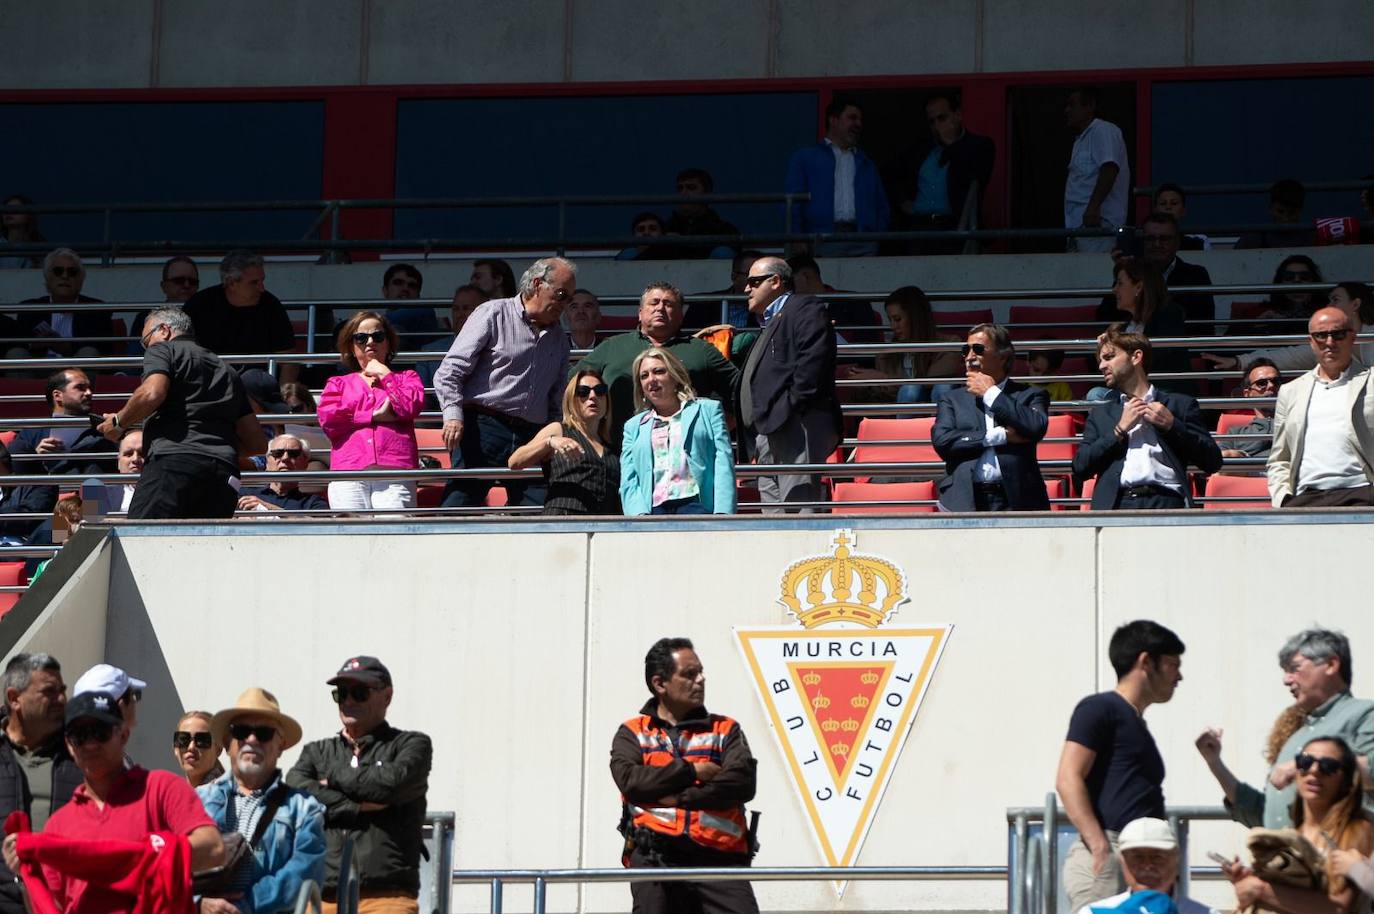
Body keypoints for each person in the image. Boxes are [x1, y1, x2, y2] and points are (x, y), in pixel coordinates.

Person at [0, 691, 225, 914]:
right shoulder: (59, 825)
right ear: (69, 745)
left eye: (100, 732)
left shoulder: (162, 788)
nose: (90, 744)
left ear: (124, 735)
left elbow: (213, 848)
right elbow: (51, 906)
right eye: (80, 735)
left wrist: (148, 856)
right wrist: (26, 872)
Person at [609, 638, 758, 914]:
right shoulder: (632, 732)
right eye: (689, 674)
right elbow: (631, 782)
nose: (701, 680)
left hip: (719, 861)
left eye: (700, 672)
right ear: (660, 684)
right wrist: (693, 771)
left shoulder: (726, 729)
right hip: (656, 858)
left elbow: (741, 784)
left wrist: (677, 796)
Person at [1056, 620, 1185, 912]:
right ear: (1146, 661)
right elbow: (1067, 777)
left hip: (1137, 858)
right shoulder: (1100, 708)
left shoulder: (1133, 720)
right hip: (1111, 853)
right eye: (1173, 664)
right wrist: (1100, 846)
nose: (1179, 676)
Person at [287, 656, 432, 914]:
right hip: (323, 897)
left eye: (359, 693)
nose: (349, 701)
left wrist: (331, 779)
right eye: (342, 694)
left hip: (387, 898)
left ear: (386, 697)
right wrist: (356, 806)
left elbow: (390, 784)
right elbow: (297, 795)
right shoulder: (316, 752)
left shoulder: (412, 745)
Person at [97, 309, 267, 519]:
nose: (146, 348)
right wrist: (213, 443)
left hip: (173, 465)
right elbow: (257, 444)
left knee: (139, 541)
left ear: (164, 330)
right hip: (223, 474)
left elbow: (152, 393)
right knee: (200, 548)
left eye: (146, 341)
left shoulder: (163, 350)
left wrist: (117, 423)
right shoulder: (227, 371)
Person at [1196, 628, 1374, 829]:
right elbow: (1266, 816)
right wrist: (1215, 763)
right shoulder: (1297, 735)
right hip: (1285, 857)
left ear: (1331, 665)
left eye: (1294, 669)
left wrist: (1304, 766)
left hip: (1333, 857)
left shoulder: (1364, 714)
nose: (1286, 680)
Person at [434, 257, 575, 508]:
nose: (564, 304)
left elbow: (556, 395)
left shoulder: (559, 339)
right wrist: (453, 416)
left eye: (568, 299)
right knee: (459, 506)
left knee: (538, 511)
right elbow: (450, 370)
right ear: (537, 284)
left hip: (532, 433)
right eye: (561, 294)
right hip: (484, 426)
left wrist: (553, 431)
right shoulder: (492, 313)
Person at [199, 688, 325, 914]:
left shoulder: (305, 809)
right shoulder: (196, 800)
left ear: (280, 746)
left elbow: (303, 873)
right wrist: (199, 903)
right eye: (241, 731)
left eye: (264, 733)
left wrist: (242, 907)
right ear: (228, 743)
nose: (252, 739)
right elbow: (168, 865)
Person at [1073, 326, 1222, 509]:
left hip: (1167, 503)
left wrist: (1172, 425)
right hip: (1117, 505)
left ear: (1136, 357)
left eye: (1109, 357)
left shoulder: (1179, 405)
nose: (1101, 366)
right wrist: (1118, 431)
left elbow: (1213, 461)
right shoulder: (1101, 414)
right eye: (1101, 360)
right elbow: (1080, 467)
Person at [578, 281, 738, 449]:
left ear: (680, 315)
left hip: (685, 456)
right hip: (616, 452)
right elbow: (571, 385)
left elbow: (740, 391)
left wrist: (713, 427)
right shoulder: (613, 346)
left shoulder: (701, 350)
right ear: (640, 313)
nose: (660, 308)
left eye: (668, 304)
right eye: (654, 303)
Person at [737, 257, 842, 512]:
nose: (746, 289)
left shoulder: (804, 307)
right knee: (773, 516)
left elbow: (813, 363)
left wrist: (788, 407)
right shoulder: (771, 322)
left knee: (799, 510)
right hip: (769, 429)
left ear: (775, 282)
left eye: (754, 282)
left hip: (795, 423)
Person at [1226, 736, 1374, 914]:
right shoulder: (1291, 834)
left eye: (1328, 766)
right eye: (1305, 761)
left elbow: (1338, 908)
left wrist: (1261, 890)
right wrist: (1246, 882)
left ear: (1346, 780)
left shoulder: (1357, 830)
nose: (1314, 770)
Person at [931, 323, 1050, 511]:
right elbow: (942, 441)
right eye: (966, 350)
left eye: (978, 349)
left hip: (1018, 499)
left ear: (1003, 357)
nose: (969, 357)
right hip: (965, 499)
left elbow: (1036, 426)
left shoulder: (1030, 395)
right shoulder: (952, 399)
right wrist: (999, 436)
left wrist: (991, 393)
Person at [1268, 306, 1374, 508]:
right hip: (1305, 498)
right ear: (1311, 341)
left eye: (1338, 334)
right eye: (1321, 335)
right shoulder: (1291, 391)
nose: (1329, 342)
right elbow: (1280, 457)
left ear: (1352, 337)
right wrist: (1283, 498)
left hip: (1363, 492)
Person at [317, 312, 424, 512]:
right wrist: (373, 415)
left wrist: (385, 374)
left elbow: (410, 407)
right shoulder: (338, 384)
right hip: (349, 469)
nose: (370, 342)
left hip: (395, 471)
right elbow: (329, 420)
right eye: (361, 337)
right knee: (351, 538)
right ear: (351, 345)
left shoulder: (406, 378)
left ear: (388, 343)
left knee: (394, 536)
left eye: (378, 336)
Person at [620, 348, 734, 516]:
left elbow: (723, 462)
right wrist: (638, 516)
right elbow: (629, 478)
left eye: (658, 371)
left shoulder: (708, 410)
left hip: (697, 506)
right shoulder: (633, 426)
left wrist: (723, 513)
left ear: (675, 376)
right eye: (644, 376)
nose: (651, 380)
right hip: (652, 512)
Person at [6, 368, 116, 536]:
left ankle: (89, 528)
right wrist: (34, 456)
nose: (89, 392)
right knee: (19, 450)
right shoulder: (33, 433)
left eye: (90, 387)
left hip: (85, 509)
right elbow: (15, 473)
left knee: (93, 460)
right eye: (80, 387)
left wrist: (118, 428)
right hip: (46, 508)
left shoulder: (103, 428)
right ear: (57, 396)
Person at [0, 654, 80, 867]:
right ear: (15, 698)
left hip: (63, 896)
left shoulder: (83, 753)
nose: (62, 700)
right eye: (49, 692)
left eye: (62, 690)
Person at [785, 97, 889, 255]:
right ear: (833, 120)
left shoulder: (866, 163)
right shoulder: (806, 158)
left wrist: (876, 238)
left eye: (860, 120)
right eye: (852, 118)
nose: (858, 124)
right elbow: (793, 202)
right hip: (822, 240)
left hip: (863, 242)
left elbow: (881, 206)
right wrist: (797, 237)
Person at [509, 370, 620, 515]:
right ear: (571, 399)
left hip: (603, 527)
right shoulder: (558, 430)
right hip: (563, 522)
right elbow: (515, 462)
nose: (592, 396)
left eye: (600, 391)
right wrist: (549, 442)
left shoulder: (611, 444)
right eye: (583, 392)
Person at [182, 250, 299, 383]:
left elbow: (288, 360)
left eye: (262, 280)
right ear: (231, 283)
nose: (262, 288)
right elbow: (181, 354)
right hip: (210, 386)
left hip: (258, 389)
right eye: (254, 282)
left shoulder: (271, 305)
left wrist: (281, 397)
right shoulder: (199, 305)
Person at [903, 91, 995, 253]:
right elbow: (894, 175)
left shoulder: (980, 145)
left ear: (958, 115)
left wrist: (952, 145)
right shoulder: (922, 150)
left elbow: (973, 176)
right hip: (920, 229)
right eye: (932, 122)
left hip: (953, 228)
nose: (937, 126)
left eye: (942, 118)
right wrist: (904, 202)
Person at [1214, 282, 1374, 374]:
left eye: (1336, 300)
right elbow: (1289, 356)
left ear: (1355, 304)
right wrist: (1239, 361)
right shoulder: (1328, 342)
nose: (1329, 306)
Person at [1072, 817, 1217, 914]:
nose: (1147, 865)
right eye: (1137, 857)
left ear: (1176, 860)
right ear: (1122, 861)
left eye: (1157, 857)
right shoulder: (1094, 911)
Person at [844, 285, 961, 404]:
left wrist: (884, 378)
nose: (893, 326)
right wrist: (867, 382)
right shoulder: (885, 355)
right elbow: (886, 395)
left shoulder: (950, 344)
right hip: (901, 410)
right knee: (909, 391)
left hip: (936, 408)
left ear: (915, 317)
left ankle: (943, 422)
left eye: (898, 319)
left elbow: (932, 381)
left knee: (939, 387)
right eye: (890, 320)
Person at [1064, 87, 1130, 253]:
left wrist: (1093, 208)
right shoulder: (1080, 140)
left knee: (1093, 275)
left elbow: (1109, 168)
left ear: (1090, 106)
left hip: (1098, 224)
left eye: (1072, 105)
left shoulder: (1103, 130)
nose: (1067, 110)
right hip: (1080, 227)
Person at [17, 249, 109, 359]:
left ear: (80, 281)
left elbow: (103, 352)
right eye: (58, 271)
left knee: (88, 353)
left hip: (78, 372)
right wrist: (35, 345)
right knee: (17, 353)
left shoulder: (96, 310)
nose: (65, 276)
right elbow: (20, 347)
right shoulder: (29, 310)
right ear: (48, 278)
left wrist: (66, 348)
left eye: (72, 272)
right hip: (39, 370)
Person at [415, 284, 487, 390]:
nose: (460, 314)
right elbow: (423, 398)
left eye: (466, 308)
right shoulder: (429, 352)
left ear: (484, 312)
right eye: (456, 309)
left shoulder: (497, 348)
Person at [236, 434, 330, 514]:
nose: (285, 458)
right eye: (278, 453)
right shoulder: (244, 494)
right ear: (267, 463)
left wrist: (267, 507)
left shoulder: (313, 503)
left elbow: (320, 527)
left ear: (305, 463)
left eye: (293, 454)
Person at [129, 257, 203, 356]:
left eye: (192, 281)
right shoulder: (145, 318)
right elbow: (134, 358)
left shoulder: (207, 316)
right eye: (179, 280)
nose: (186, 285)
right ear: (164, 286)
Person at [663, 168, 739, 258]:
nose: (683, 193)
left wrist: (683, 244)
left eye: (691, 188)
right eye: (680, 188)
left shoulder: (724, 230)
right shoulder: (666, 228)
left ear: (707, 194)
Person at [1219, 359, 1282, 461]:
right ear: (1248, 394)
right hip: (1247, 471)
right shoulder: (1235, 432)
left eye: (1276, 382)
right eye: (1262, 383)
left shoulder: (1297, 422)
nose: (1271, 386)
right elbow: (1219, 460)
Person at [1237, 179, 1315, 249]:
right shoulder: (1252, 240)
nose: (1285, 218)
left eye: (1292, 213)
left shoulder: (1313, 240)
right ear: (1270, 209)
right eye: (1280, 211)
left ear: (1300, 211)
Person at [378, 263, 439, 341]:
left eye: (412, 285)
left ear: (418, 295)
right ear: (385, 290)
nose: (405, 288)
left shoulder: (426, 314)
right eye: (398, 283)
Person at [172, 710, 223, 788]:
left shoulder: (226, 794)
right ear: (175, 748)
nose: (191, 747)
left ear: (218, 749)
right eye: (183, 739)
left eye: (202, 740)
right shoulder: (176, 795)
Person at [1152, 184, 1209, 250]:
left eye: (1174, 203)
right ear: (1155, 211)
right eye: (1163, 203)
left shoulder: (1199, 242)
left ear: (1183, 211)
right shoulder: (1143, 243)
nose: (1168, 207)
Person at [0, 194, 45, 269]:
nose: (9, 212)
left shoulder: (39, 246)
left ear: (28, 215)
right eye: (6, 209)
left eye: (16, 208)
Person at [114, 429, 144, 513]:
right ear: (118, 462)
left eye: (142, 453)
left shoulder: (166, 494)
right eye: (128, 454)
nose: (135, 459)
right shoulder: (104, 495)